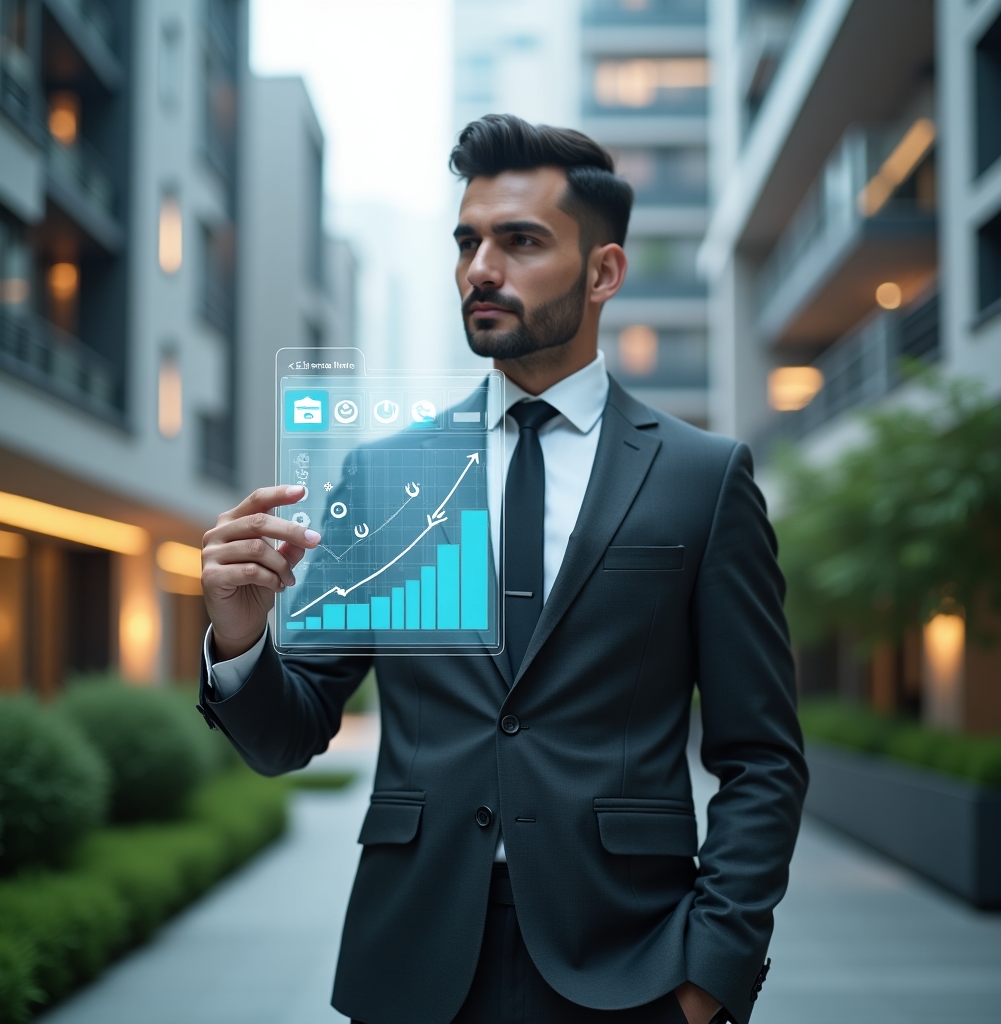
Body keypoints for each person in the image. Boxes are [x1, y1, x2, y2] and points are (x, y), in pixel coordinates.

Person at [198, 114, 807, 1024]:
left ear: (603, 272)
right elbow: (288, 735)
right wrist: (243, 637)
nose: (482, 268)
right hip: (415, 962)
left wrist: (708, 975)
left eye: (520, 241)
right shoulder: (389, 476)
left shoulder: (701, 479)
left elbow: (761, 758)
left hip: (634, 963)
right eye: (468, 241)